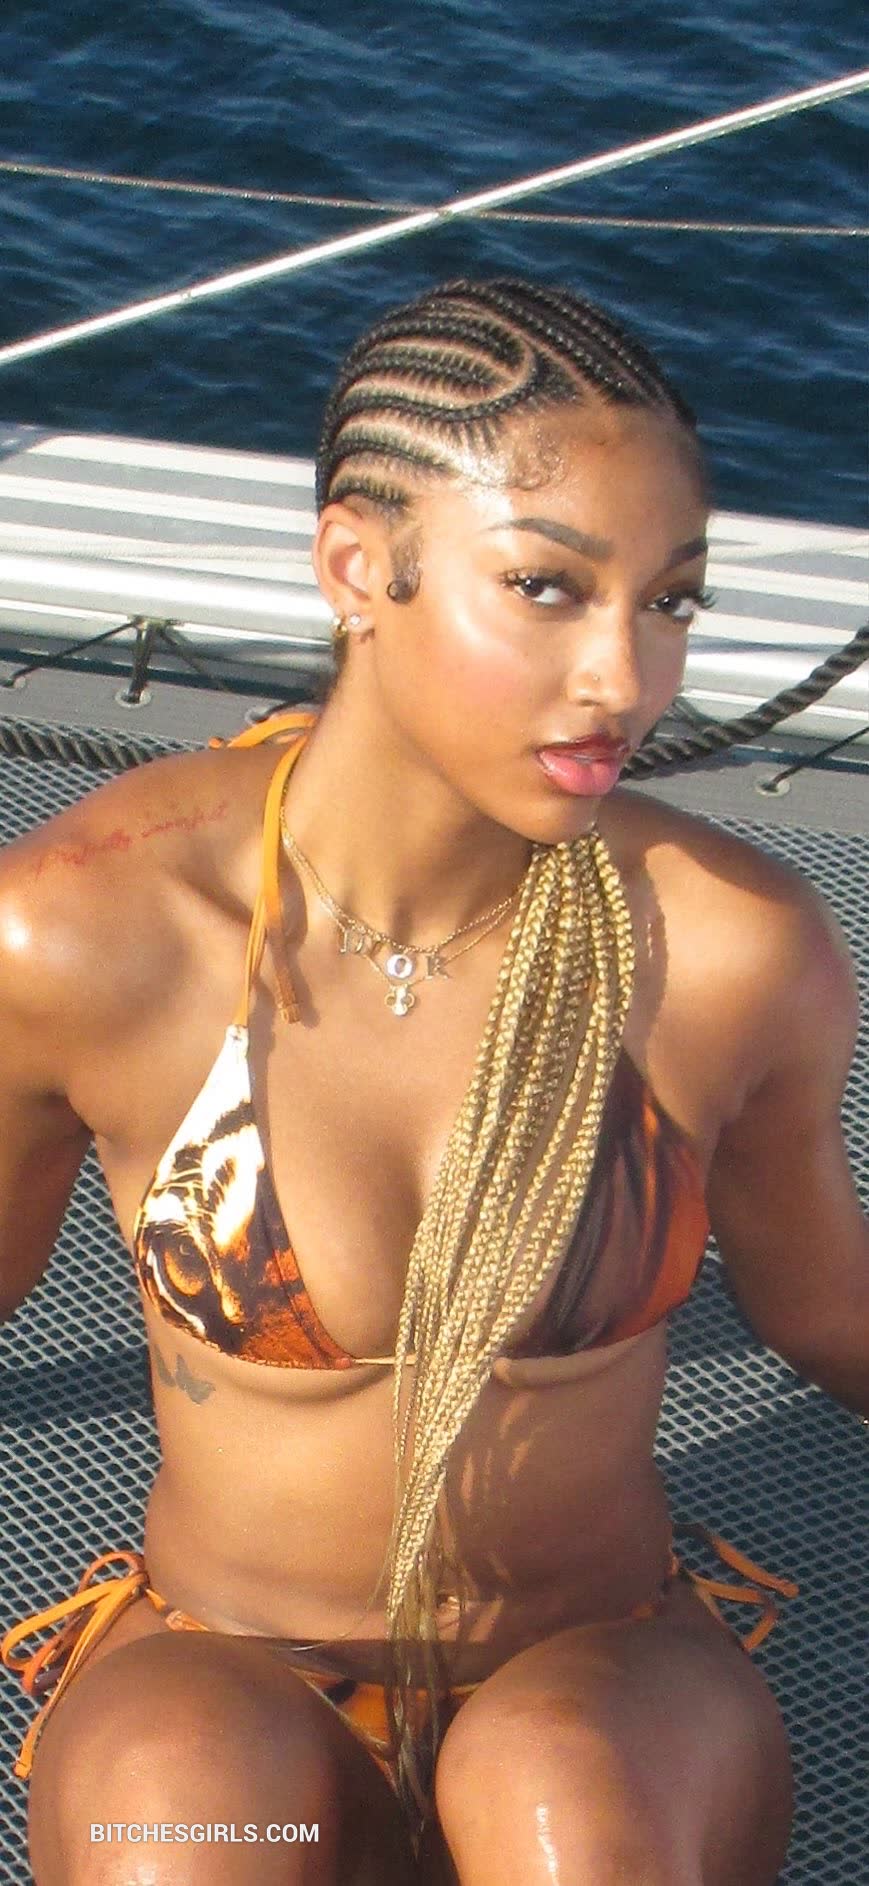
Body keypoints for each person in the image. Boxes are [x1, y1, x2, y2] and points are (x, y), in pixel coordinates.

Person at [0, 276, 866, 1886]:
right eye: (546, 587)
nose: (623, 677)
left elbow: (834, 1316)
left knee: (565, 1816)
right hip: (230, 1670)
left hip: (596, 1672)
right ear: (357, 567)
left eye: (669, 602)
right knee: (190, 1822)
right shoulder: (93, 931)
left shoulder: (727, 948)